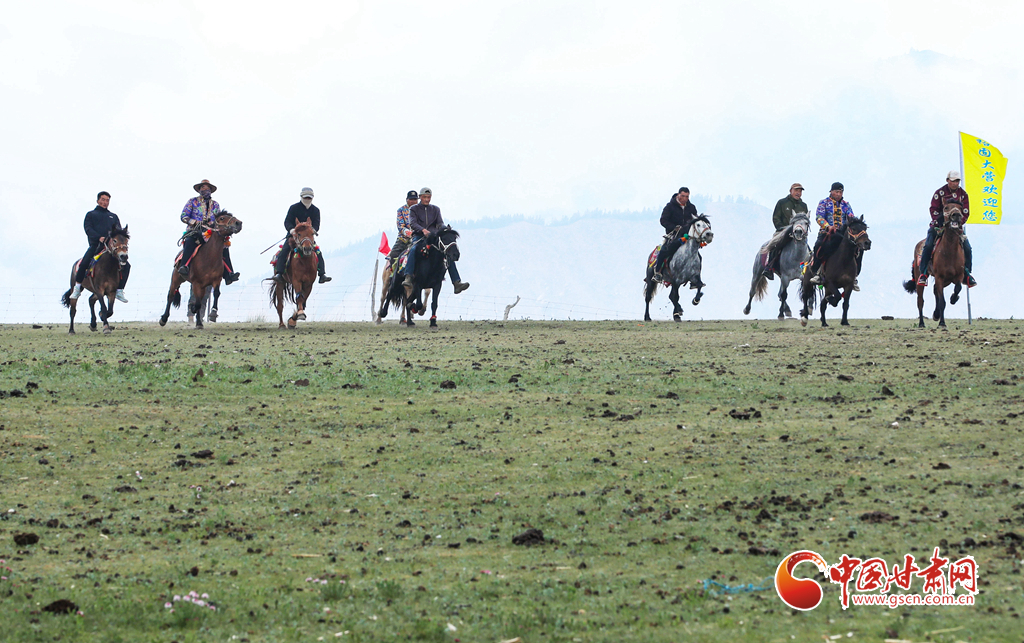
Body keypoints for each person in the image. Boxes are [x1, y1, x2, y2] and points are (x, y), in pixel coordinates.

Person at [403, 188, 470, 293]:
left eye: (428, 197)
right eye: (424, 197)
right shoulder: (414, 209)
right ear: (420, 197)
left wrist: (444, 228)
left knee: (447, 252)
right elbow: (413, 223)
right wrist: (423, 230)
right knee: (413, 249)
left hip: (433, 237)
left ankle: (456, 282)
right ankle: (408, 276)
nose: (427, 199)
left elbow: (439, 223)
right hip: (419, 236)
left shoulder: (435, 209)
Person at [917, 171, 976, 287]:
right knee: (928, 245)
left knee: (967, 248)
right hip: (938, 226)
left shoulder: (963, 195)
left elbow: (966, 212)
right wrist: (941, 222)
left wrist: (958, 223)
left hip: (956, 228)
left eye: (957, 181)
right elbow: (933, 209)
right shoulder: (939, 193)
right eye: (953, 181)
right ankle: (923, 273)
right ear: (947, 180)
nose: (955, 183)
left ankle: (967, 274)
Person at [69, 191, 130, 302]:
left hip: (111, 248)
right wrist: (99, 237)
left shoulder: (113, 216)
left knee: (127, 265)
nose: (105, 202)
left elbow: (118, 232)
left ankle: (119, 290)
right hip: (96, 246)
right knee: (84, 263)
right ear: (97, 201)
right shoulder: (91, 214)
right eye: (103, 199)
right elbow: (88, 229)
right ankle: (77, 288)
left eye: (107, 200)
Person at [177, 179, 239, 283]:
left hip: (211, 232)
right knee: (189, 242)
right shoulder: (192, 201)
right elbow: (184, 216)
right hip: (195, 231)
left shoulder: (215, 204)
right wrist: (195, 222)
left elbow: (219, 219)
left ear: (211, 190)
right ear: (199, 190)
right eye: (203, 187)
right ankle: (184, 266)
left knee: (224, 247)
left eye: (208, 188)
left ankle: (229, 274)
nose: (205, 189)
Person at [273, 187, 331, 284]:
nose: (307, 199)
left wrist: (311, 231)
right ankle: (279, 273)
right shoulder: (293, 208)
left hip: (308, 237)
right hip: (293, 236)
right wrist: (292, 230)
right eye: (305, 197)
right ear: (301, 197)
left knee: (318, 253)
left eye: (309, 198)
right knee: (285, 251)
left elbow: (316, 225)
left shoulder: (315, 210)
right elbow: (287, 221)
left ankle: (322, 274)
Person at [808, 182, 859, 290]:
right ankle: (817, 272)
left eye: (840, 192)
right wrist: (827, 226)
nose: (838, 194)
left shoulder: (846, 205)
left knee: (858, 248)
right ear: (831, 191)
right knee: (819, 246)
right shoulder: (824, 203)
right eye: (836, 192)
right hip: (827, 233)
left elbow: (851, 217)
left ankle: (854, 276)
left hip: (843, 235)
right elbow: (819, 217)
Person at [652, 187, 698, 283]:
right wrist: (674, 227)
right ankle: (658, 273)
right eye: (683, 196)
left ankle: (696, 278)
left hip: (687, 236)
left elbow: (695, 221)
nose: (685, 198)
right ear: (678, 195)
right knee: (664, 251)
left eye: (687, 196)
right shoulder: (670, 206)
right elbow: (663, 220)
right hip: (673, 235)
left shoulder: (692, 208)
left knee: (696, 255)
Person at [765, 183, 808, 278]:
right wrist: (782, 229)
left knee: (808, 249)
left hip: (798, 233)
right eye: (796, 190)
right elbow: (776, 218)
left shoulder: (803, 206)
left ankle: (808, 271)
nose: (798, 193)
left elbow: (805, 220)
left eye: (800, 191)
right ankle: (769, 267)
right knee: (775, 245)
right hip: (782, 231)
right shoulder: (782, 202)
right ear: (790, 191)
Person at [385, 190, 419, 273]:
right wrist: (410, 234)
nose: (413, 201)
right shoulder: (401, 210)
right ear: (407, 200)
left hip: (419, 238)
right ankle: (393, 275)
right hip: (404, 239)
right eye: (411, 199)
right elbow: (401, 226)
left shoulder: (421, 210)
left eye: (415, 199)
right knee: (394, 254)